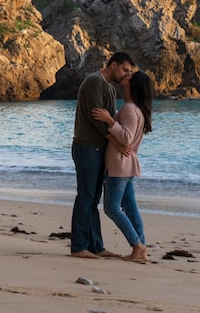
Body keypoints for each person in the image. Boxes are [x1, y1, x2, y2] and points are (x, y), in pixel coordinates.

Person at [70, 51, 136, 259]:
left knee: (93, 199)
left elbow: (110, 119)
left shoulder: (108, 87)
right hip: (87, 147)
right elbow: (97, 120)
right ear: (113, 64)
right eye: (125, 70)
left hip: (98, 149)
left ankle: (96, 246)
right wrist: (118, 141)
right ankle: (79, 247)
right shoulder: (94, 82)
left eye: (130, 72)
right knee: (86, 197)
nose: (126, 75)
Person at [91, 70, 154, 263]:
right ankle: (140, 248)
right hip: (127, 165)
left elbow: (126, 137)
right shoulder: (136, 109)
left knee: (111, 208)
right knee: (130, 207)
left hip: (120, 165)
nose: (124, 76)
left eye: (129, 76)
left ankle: (137, 246)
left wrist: (110, 120)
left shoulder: (129, 109)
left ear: (132, 85)